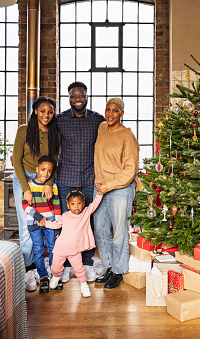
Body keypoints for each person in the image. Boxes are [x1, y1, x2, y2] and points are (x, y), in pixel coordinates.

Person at [55, 81, 105, 283]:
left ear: (87, 97)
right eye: (73, 96)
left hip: (89, 178)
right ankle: (66, 264)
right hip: (66, 177)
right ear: (69, 98)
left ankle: (86, 261)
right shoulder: (59, 120)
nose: (77, 99)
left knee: (88, 221)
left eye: (81, 95)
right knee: (66, 222)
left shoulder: (97, 120)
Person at [13, 96, 60, 292]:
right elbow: (16, 160)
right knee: (26, 226)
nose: (46, 115)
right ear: (35, 112)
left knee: (49, 225)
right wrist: (26, 188)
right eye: (42, 111)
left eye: (50, 112)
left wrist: (48, 183)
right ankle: (29, 269)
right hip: (24, 178)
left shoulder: (54, 133)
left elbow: (54, 160)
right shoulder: (24, 130)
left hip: (45, 178)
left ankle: (49, 271)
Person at [93, 97, 139, 291]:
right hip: (101, 188)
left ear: (122, 113)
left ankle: (119, 271)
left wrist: (109, 185)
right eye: (107, 110)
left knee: (118, 232)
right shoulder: (101, 128)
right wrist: (99, 182)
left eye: (115, 110)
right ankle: (110, 266)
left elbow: (130, 170)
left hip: (120, 189)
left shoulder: (127, 136)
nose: (110, 114)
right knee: (100, 230)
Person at [45, 190, 103, 297]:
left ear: (83, 204)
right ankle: (56, 277)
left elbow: (94, 204)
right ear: (68, 205)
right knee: (55, 268)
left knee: (79, 269)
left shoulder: (85, 213)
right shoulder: (65, 215)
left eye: (79, 203)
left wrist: (100, 194)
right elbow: (56, 225)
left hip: (74, 250)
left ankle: (84, 285)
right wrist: (45, 223)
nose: (76, 206)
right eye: (73, 204)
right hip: (60, 248)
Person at [22, 155, 61, 293]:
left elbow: (57, 207)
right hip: (34, 223)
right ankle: (43, 276)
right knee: (38, 250)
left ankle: (55, 275)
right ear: (37, 169)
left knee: (53, 249)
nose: (46, 173)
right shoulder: (29, 186)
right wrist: (37, 216)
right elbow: (25, 205)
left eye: (50, 171)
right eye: (43, 169)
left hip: (50, 223)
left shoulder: (53, 187)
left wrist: (57, 227)